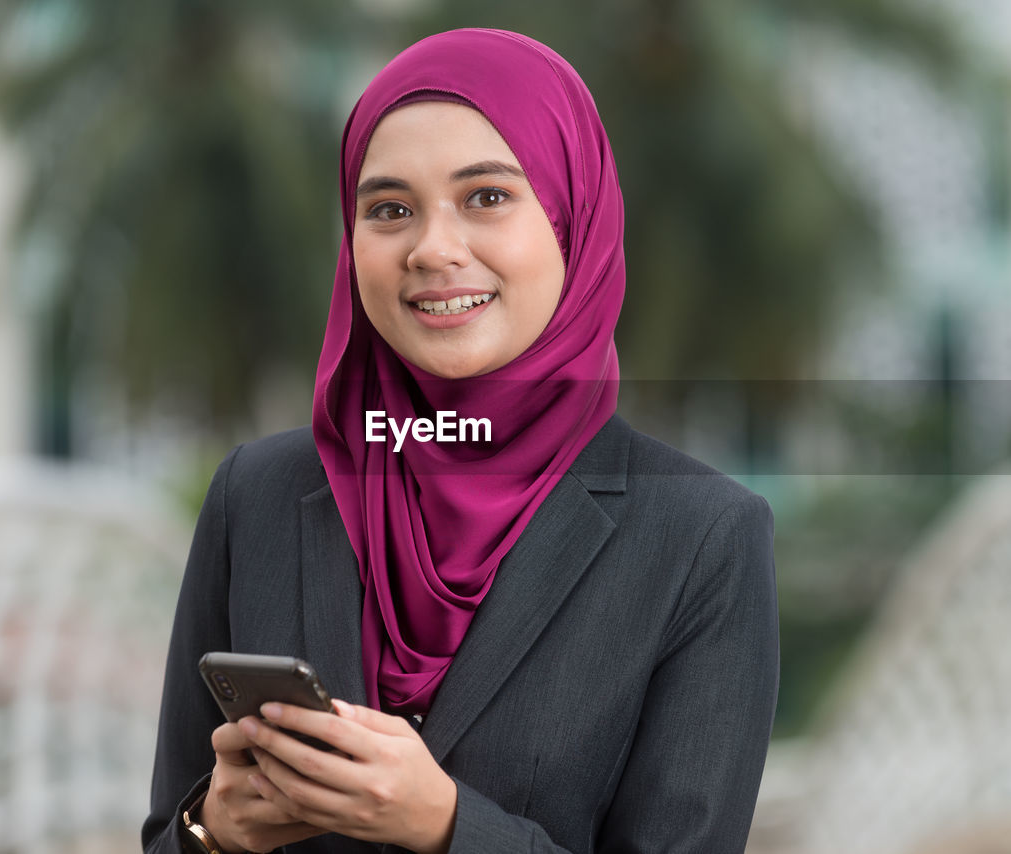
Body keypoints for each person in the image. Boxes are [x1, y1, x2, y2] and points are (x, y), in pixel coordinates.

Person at [142, 28, 778, 854]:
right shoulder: (257, 494)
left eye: (486, 197)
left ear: (572, 219)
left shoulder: (701, 537)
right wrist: (214, 831)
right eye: (390, 209)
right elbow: (168, 833)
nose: (433, 250)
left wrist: (445, 825)